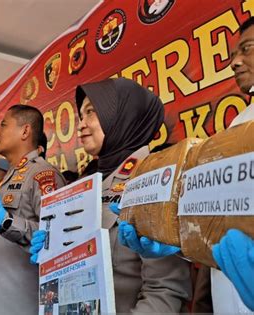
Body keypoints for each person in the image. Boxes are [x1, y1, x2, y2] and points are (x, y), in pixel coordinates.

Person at [114, 17, 254, 312]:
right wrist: (182, 242)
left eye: (248, 48)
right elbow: (217, 229)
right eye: (232, 55)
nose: (236, 62)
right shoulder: (237, 127)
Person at [30, 78, 192, 313]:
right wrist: (54, 254)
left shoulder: (155, 179)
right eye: (81, 116)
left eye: (91, 112)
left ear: (124, 116)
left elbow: (165, 292)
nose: (81, 125)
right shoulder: (90, 180)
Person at [0, 105, 65, 314]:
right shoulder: (9, 177)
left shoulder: (43, 174)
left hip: (21, 301)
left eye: (3, 125)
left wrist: (4, 221)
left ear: (25, 131)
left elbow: (57, 238)